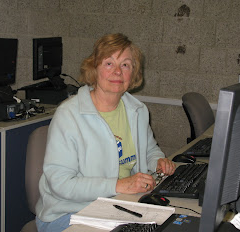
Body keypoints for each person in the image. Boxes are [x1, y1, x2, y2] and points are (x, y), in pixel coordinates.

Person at [35, 33, 176, 232]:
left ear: (133, 72)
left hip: (118, 205)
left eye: (125, 65)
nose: (118, 71)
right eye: (109, 63)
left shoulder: (137, 110)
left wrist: (159, 161)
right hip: (68, 214)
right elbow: (61, 183)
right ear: (94, 68)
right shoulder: (69, 115)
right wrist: (118, 185)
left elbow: (150, 150)